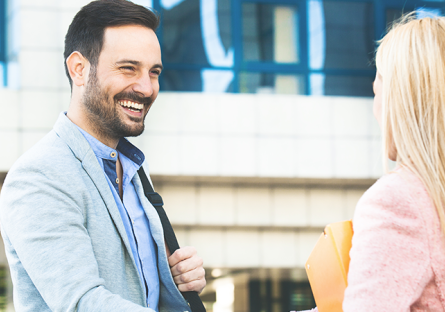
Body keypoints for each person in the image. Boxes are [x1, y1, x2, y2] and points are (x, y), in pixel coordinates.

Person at [0, 1, 205, 311]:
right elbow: (83, 303)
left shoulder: (134, 169)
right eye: (128, 68)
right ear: (79, 69)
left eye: (154, 72)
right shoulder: (38, 176)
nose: (146, 88)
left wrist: (172, 282)